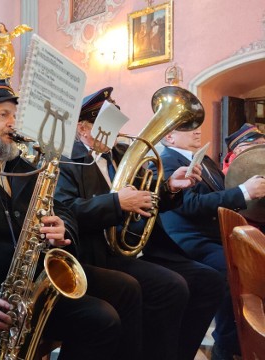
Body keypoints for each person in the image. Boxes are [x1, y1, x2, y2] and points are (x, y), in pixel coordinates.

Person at [0, 79, 144, 360]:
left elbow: (61, 208)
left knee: (126, 289)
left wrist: (63, 227)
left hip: (32, 278)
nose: (13, 124)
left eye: (15, 116)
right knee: (100, 320)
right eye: (2, 115)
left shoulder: (23, 167)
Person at [55, 87, 225, 360]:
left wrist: (170, 187)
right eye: (108, 124)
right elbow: (66, 210)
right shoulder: (66, 160)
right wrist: (116, 203)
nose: (117, 130)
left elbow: (147, 198)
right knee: (171, 287)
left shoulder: (121, 153)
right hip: (99, 252)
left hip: (138, 247)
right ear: (84, 129)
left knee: (209, 281)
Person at [159, 126, 265, 360]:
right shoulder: (166, 161)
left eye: (197, 127)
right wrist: (243, 191)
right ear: (169, 136)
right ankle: (228, 348)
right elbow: (189, 205)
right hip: (189, 240)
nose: (197, 132)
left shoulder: (204, 160)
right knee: (230, 270)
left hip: (217, 236)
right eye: (187, 128)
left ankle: (250, 338)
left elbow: (221, 194)